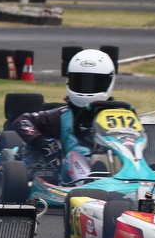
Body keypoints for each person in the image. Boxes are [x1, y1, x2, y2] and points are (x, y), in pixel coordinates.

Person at [11, 48, 130, 183]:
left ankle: (137, 177)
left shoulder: (121, 114)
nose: (86, 89)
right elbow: (22, 121)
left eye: (95, 82)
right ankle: (90, 181)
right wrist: (42, 142)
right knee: (73, 157)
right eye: (80, 81)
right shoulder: (62, 116)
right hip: (76, 170)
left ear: (108, 82)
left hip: (116, 165)